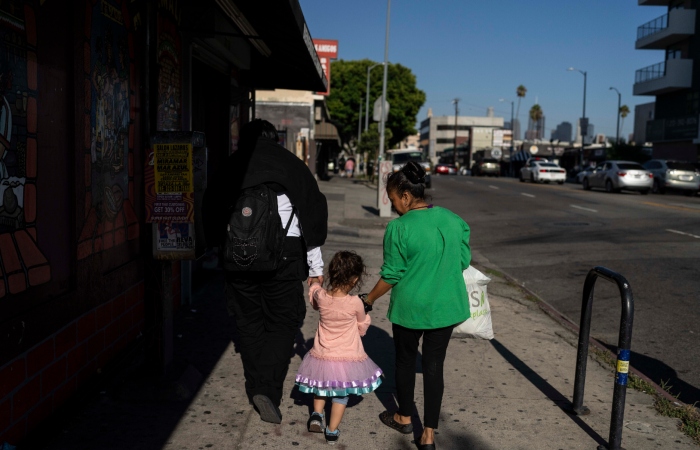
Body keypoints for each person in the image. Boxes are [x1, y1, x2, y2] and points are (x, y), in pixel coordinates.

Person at [202, 119, 328, 424]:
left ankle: (257, 385)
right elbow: (311, 216)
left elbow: (210, 210)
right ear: (276, 139)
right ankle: (267, 390)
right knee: (283, 323)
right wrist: (315, 269)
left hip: (238, 261)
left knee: (248, 323)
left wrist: (215, 252)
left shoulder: (232, 166)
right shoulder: (292, 167)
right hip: (284, 261)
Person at [361, 161, 471, 450]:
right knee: (435, 366)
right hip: (446, 308)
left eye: (394, 199)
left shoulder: (399, 228)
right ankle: (429, 435)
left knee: (405, 362)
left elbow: (391, 275)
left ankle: (404, 415)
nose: (394, 205)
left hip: (411, 310)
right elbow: (463, 260)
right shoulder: (454, 219)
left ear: (406, 197)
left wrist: (368, 299)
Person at [295, 251, 383, 445]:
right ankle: (332, 431)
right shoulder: (356, 303)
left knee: (321, 386)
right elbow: (361, 327)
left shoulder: (322, 296)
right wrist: (365, 318)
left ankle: (317, 415)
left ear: (332, 274)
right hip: (346, 357)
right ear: (355, 280)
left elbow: (314, 294)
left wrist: (316, 282)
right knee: (340, 396)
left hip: (323, 354)